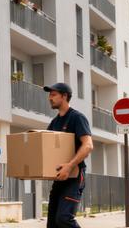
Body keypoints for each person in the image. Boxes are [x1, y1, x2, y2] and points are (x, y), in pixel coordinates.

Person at [43, 83, 94, 228]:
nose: (49, 98)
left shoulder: (77, 118)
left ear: (64, 96)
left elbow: (88, 145)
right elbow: (45, 150)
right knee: (53, 223)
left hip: (75, 176)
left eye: (53, 95)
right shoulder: (54, 123)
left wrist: (69, 166)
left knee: (64, 218)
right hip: (59, 178)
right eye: (49, 95)